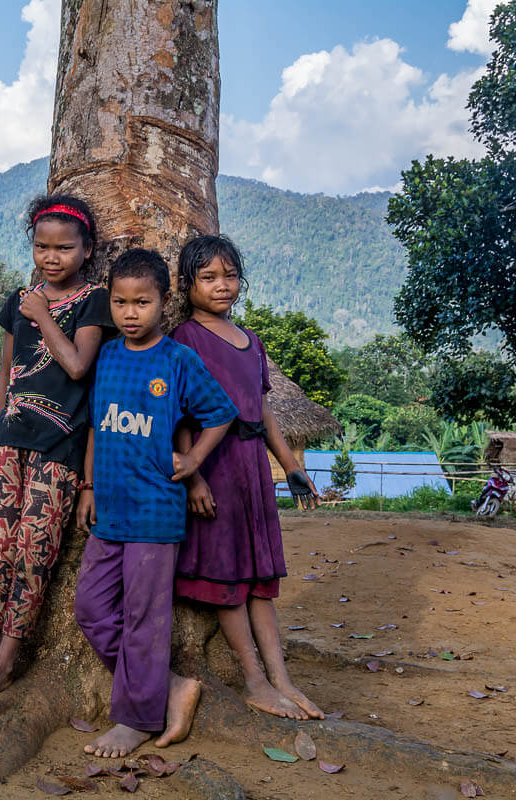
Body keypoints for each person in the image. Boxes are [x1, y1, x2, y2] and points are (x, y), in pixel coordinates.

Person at [0, 195, 114, 704]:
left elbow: (79, 366)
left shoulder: (94, 301)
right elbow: (6, 370)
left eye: (64, 247)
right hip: (10, 444)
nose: (51, 257)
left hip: (60, 446)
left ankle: (5, 665)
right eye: (41, 246)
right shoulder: (17, 300)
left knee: (33, 553)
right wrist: (0, 428)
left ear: (86, 250)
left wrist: (41, 313)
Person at [73, 249, 237, 758]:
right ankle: (166, 685)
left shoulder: (178, 360)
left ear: (163, 304)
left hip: (154, 513)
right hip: (109, 511)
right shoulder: (107, 357)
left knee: (146, 618)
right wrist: (89, 486)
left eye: (141, 303)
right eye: (120, 302)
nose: (129, 313)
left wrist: (193, 463)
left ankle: (136, 719)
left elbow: (220, 413)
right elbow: (99, 428)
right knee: (91, 609)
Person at [171, 234, 324, 721]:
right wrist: (194, 479)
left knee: (260, 577)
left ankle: (281, 678)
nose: (222, 286)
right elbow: (177, 417)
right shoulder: (185, 340)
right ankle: (254, 680)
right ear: (187, 284)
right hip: (213, 467)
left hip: (253, 470)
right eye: (209, 277)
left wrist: (292, 466)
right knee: (228, 578)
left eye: (230, 276)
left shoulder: (251, 341)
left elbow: (263, 410)